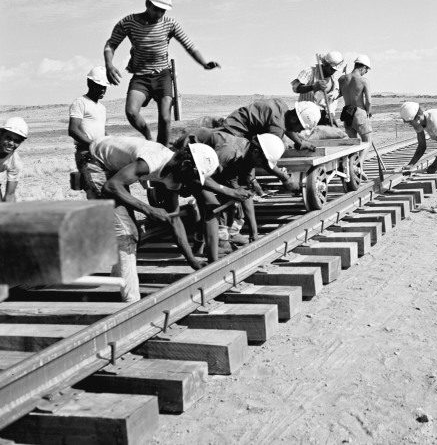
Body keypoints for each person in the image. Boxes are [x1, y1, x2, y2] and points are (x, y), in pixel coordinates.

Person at [83, 136, 219, 302]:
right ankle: (131, 302)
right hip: (96, 164)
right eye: (194, 176)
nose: (193, 182)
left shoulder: (174, 176)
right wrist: (149, 210)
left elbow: (174, 220)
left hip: (114, 168)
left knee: (129, 231)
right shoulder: (154, 159)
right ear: (185, 165)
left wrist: (192, 261)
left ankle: (117, 279)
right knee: (127, 233)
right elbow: (111, 186)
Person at [104, 0, 220, 146]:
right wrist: (109, 65)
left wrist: (204, 63)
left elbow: (189, 45)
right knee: (131, 112)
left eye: (163, 10)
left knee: (165, 118)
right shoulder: (129, 22)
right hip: (141, 77)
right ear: (147, 4)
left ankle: (162, 151)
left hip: (163, 76)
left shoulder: (170, 24)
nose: (159, 13)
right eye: (156, 9)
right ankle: (148, 137)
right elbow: (111, 44)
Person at [173, 130, 286, 253]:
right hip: (187, 162)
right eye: (263, 162)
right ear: (256, 152)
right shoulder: (229, 152)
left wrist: (254, 233)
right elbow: (201, 177)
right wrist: (230, 192)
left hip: (207, 168)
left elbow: (245, 194)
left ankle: (217, 239)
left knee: (231, 199)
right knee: (212, 204)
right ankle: (216, 243)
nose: (262, 166)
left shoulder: (248, 157)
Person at [68, 67, 109, 197]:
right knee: (95, 191)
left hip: (100, 153)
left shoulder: (102, 108)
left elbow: (101, 131)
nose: (103, 90)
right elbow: (73, 129)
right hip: (86, 153)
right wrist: (93, 144)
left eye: (104, 87)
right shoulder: (80, 102)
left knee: (105, 189)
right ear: (89, 84)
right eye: (99, 86)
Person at [338, 54, 372, 173]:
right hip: (359, 112)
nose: (366, 72)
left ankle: (353, 167)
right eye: (366, 70)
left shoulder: (342, 79)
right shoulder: (363, 81)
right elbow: (368, 101)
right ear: (362, 67)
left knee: (354, 144)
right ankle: (358, 166)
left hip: (347, 112)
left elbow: (340, 93)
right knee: (367, 141)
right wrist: (368, 112)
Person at [291, 51, 343, 127]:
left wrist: (331, 116)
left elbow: (330, 102)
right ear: (325, 64)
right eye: (331, 69)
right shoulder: (309, 72)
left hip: (322, 116)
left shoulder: (334, 81)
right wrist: (313, 87)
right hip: (305, 114)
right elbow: (296, 88)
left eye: (335, 70)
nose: (333, 72)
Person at [0, 117, 28, 202]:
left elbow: (10, 195)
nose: (11, 143)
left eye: (17, 141)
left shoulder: (15, 162)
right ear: (1, 135)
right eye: (8, 138)